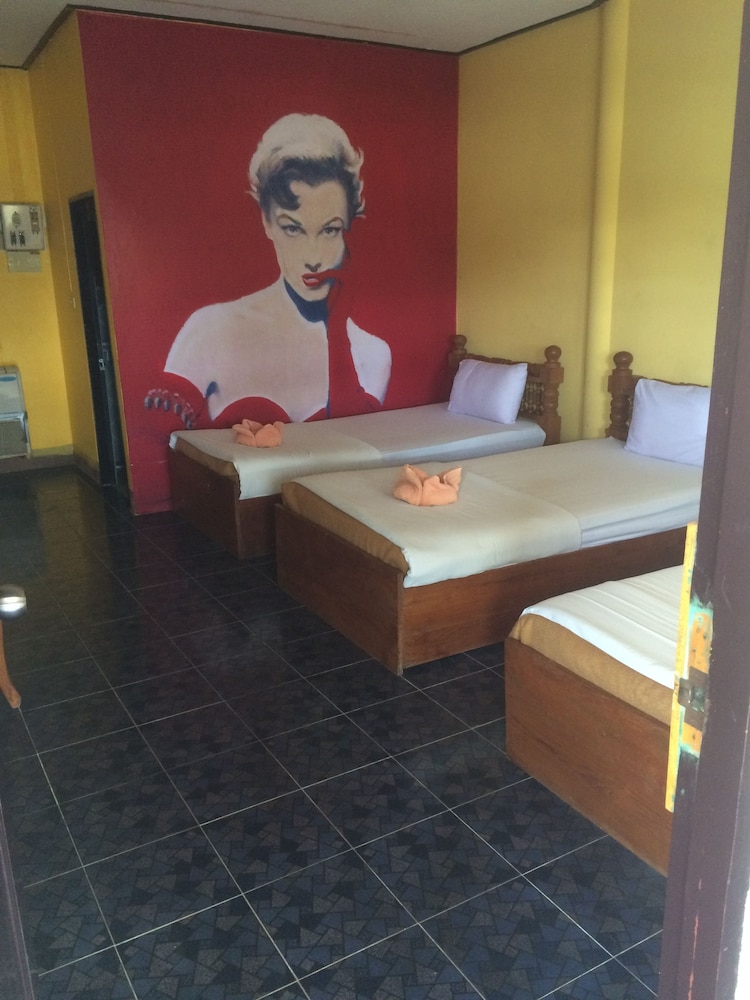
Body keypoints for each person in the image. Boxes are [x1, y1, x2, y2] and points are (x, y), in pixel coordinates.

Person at [149, 113, 391, 427]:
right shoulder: (211, 329)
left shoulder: (373, 353)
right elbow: (164, 442)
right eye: (293, 229)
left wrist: (337, 332)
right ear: (267, 223)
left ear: (347, 229)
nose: (313, 257)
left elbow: (352, 440)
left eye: (330, 230)